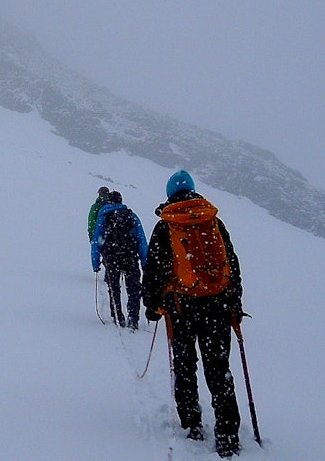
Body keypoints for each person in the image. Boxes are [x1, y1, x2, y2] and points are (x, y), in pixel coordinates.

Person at [143, 170, 244, 458]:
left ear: (170, 194)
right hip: (217, 306)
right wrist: (234, 303)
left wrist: (152, 305)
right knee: (219, 369)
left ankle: (192, 423)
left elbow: (154, 270)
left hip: (182, 308)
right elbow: (232, 264)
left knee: (185, 366)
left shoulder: (167, 225)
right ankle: (228, 435)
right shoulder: (212, 221)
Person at [91, 190, 148, 330]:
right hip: (130, 256)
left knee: (114, 288)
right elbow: (141, 239)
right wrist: (145, 261)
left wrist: (96, 262)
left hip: (111, 257)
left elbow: (97, 240)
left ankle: (117, 316)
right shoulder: (131, 215)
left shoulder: (104, 217)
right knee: (133, 289)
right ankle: (133, 318)